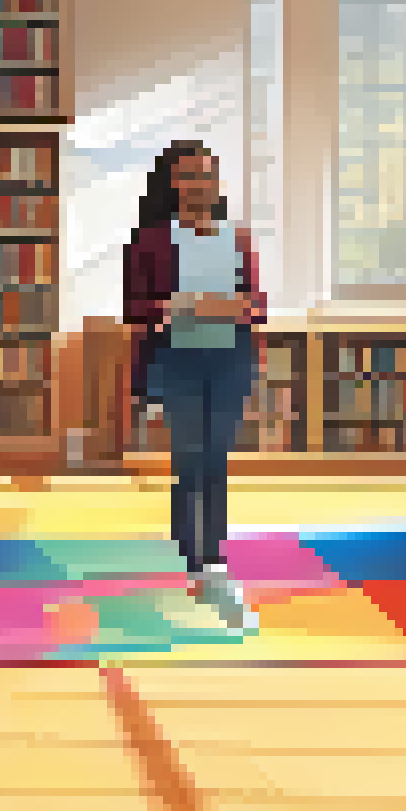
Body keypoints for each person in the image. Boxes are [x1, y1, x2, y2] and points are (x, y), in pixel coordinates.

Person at [123, 140, 268, 631]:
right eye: (188, 175)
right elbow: (135, 308)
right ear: (172, 183)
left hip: (229, 359)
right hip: (177, 360)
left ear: (215, 182)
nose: (198, 185)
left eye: (206, 175)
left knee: (217, 456)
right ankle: (194, 557)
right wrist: (179, 306)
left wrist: (235, 308)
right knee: (189, 456)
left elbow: (257, 303)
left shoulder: (237, 237)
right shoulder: (150, 241)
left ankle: (214, 557)